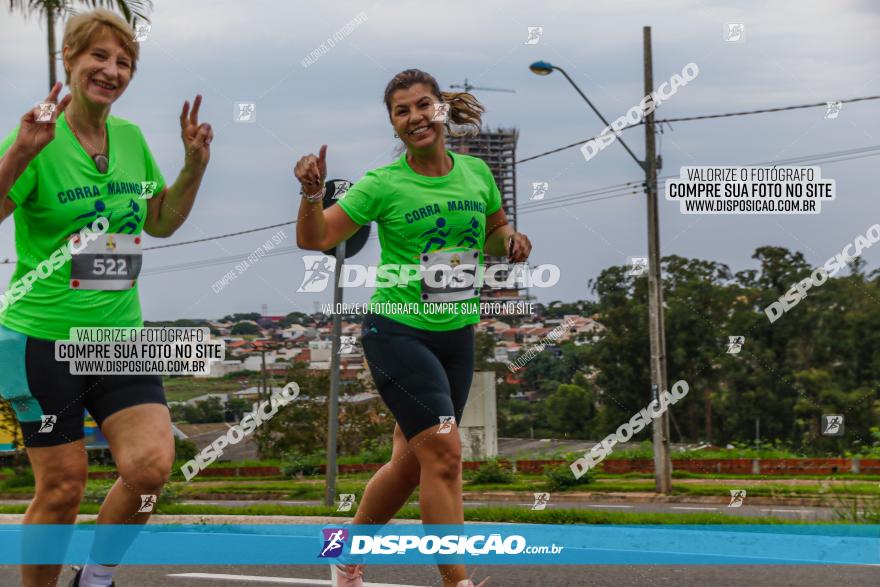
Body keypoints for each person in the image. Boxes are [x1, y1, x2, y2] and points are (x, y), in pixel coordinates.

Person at [295, 68, 532, 587]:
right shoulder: (382, 184)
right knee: (446, 454)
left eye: (423, 106)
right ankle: (457, 581)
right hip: (396, 333)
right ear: (394, 125)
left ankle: (344, 553)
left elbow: (493, 233)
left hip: (456, 335)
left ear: (440, 110)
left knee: (410, 465)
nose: (415, 118)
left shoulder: (476, 175)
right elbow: (315, 238)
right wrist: (311, 195)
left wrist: (512, 241)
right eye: (402, 112)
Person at [0, 9, 212, 587]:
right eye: (98, 56)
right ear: (67, 61)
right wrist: (19, 153)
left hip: (118, 336)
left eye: (123, 62)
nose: (111, 70)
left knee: (152, 468)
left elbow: (161, 220)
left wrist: (193, 167)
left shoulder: (132, 139)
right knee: (63, 486)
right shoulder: (35, 139)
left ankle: (95, 577)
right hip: (40, 337)